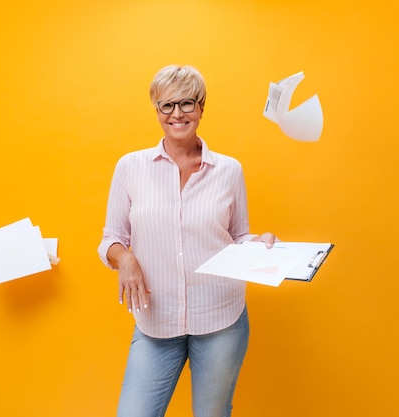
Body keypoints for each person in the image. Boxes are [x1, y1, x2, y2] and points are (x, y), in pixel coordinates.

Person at [98, 64, 278, 417]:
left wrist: (261, 243)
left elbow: (239, 236)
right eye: (167, 105)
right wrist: (126, 259)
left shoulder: (229, 170)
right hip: (156, 323)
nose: (177, 114)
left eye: (187, 104)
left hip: (220, 319)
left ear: (201, 108)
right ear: (156, 110)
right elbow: (111, 239)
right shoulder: (131, 167)